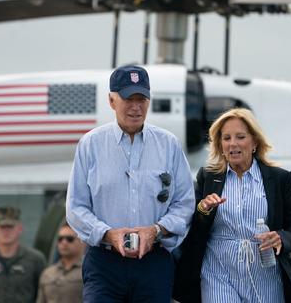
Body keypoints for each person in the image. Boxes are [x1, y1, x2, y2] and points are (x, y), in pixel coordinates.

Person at [66, 65, 195, 302]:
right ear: (112, 100)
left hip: (154, 262)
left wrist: (156, 230)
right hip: (104, 263)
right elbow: (76, 207)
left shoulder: (169, 145)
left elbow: (185, 203)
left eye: (141, 99)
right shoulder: (90, 144)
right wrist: (107, 234)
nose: (136, 107)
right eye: (128, 99)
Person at [173, 108, 291, 303]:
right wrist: (202, 210)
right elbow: (193, 227)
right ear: (220, 144)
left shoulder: (278, 179)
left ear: (254, 142)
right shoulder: (208, 177)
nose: (232, 143)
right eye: (226, 138)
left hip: (265, 272)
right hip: (218, 271)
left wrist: (280, 239)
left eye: (240, 137)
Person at [36, 224, 85, 303]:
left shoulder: (88, 271)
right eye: (60, 239)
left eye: (70, 239)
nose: (64, 242)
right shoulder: (48, 273)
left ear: (82, 242)